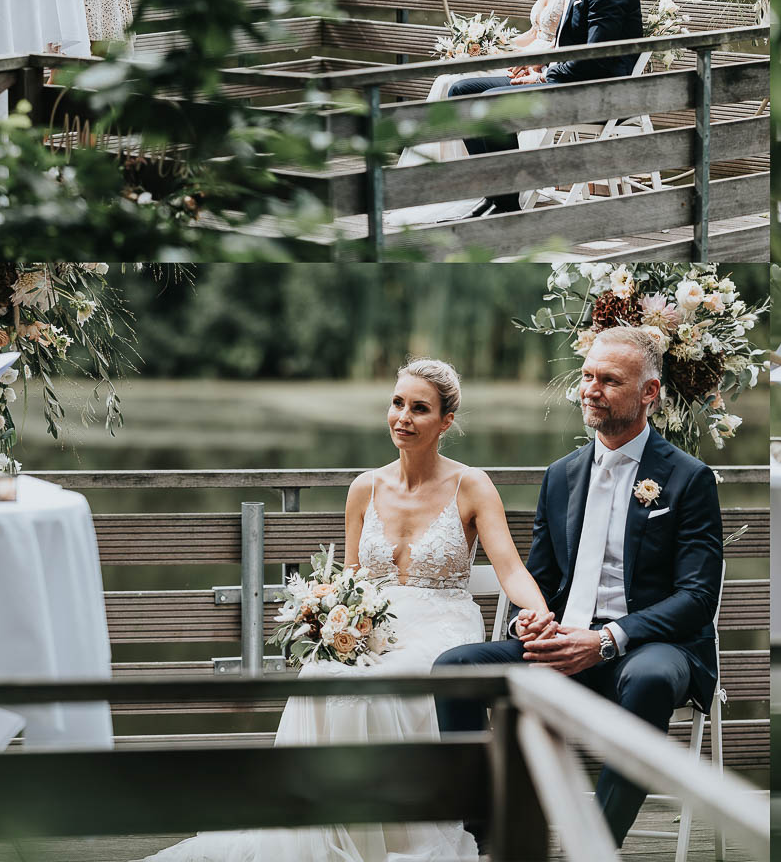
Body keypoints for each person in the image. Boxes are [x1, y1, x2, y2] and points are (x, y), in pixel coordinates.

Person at [139, 359, 552, 862]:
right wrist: (329, 616)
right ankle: (322, 827)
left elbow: (510, 569)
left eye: (420, 408)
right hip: (372, 622)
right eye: (397, 403)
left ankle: (397, 833)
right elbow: (349, 579)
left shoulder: (472, 486)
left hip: (442, 622)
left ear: (446, 421)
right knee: (322, 672)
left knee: (385, 685)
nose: (403, 416)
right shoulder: (365, 487)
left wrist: (539, 614)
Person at [435, 327, 725, 846]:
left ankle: (596, 848)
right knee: (454, 668)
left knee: (652, 680)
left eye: (608, 380)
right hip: (566, 643)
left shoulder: (688, 478)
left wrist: (607, 639)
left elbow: (698, 598)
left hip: (651, 648)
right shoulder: (561, 475)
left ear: (648, 393)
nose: (590, 389)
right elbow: (541, 580)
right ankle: (490, 841)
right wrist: (533, 617)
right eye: (586, 376)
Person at [445, 0, 644, 215]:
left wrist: (546, 75)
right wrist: (540, 68)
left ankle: (505, 203)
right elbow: (576, 46)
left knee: (489, 103)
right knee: (460, 92)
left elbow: (596, 57)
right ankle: (502, 198)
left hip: (594, 95)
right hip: (570, 81)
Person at [388, 0, 572, 226]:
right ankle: (453, 182)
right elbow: (533, 33)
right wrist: (492, 46)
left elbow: (563, 41)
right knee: (451, 76)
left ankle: (474, 186)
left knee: (452, 85)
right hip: (523, 58)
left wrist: (527, 62)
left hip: (540, 69)